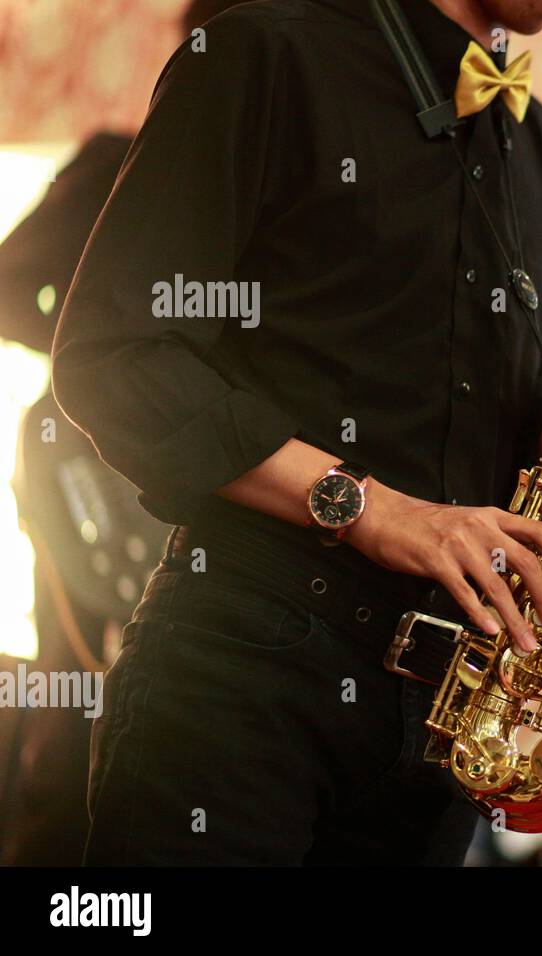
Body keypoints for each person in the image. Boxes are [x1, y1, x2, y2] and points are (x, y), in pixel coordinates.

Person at [51, 0, 542, 865]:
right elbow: (114, 353)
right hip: (243, 673)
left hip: (446, 723)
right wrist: (371, 509)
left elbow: (509, 411)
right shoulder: (265, 52)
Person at [0, 0, 254, 867]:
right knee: (77, 731)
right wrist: (117, 359)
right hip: (93, 477)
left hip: (227, 496)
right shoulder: (115, 160)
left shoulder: (286, 185)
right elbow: (5, 289)